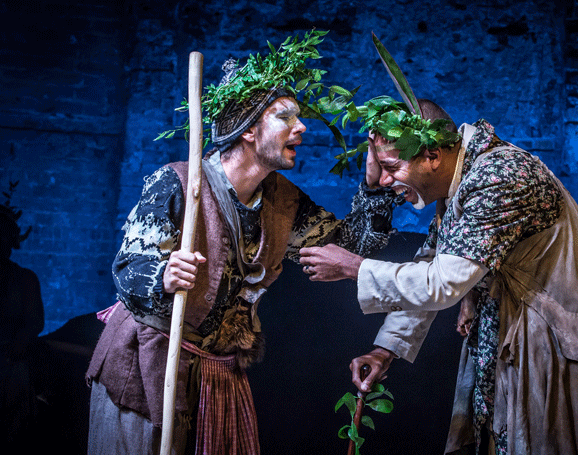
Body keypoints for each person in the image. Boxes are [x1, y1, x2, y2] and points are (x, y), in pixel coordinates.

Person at [299, 35, 578, 455]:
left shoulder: (500, 176)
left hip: (551, 353)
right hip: (504, 347)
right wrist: (386, 349)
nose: (386, 181)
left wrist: (354, 267)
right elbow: (433, 261)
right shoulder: (460, 182)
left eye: (391, 166)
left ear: (432, 155)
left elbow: (442, 282)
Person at [86, 30, 401, 455]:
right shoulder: (178, 183)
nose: (301, 127)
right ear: (249, 129)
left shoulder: (284, 203)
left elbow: (348, 249)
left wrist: (375, 189)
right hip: (150, 367)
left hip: (218, 377)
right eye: (285, 117)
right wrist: (163, 275)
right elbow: (128, 269)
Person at [1, 194, 45, 451]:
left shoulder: (25, 279)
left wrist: (17, 346)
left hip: (11, 367)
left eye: (4, 236)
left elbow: (35, 322)